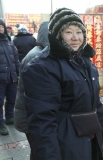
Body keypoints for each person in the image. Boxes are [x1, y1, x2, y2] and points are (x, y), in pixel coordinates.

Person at [22, 8, 103, 160]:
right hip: (65, 140)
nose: (75, 37)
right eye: (68, 32)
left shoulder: (85, 62)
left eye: (79, 32)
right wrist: (49, 155)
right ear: (57, 35)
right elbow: (42, 120)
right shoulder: (42, 67)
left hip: (90, 136)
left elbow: (95, 103)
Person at [14, 21, 49, 159]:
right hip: (31, 117)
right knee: (39, 151)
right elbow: (38, 94)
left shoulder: (41, 53)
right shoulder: (38, 56)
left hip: (32, 116)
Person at [0, 19, 20, 135]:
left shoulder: (9, 42)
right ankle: (0, 123)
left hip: (11, 77)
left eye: (2, 26)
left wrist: (18, 72)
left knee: (12, 99)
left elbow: (16, 60)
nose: (1, 29)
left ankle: (9, 117)